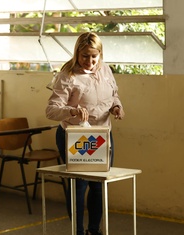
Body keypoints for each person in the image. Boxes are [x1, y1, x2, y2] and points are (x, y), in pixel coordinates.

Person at [45, 32, 125, 235]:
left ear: (100, 54)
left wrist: (117, 107)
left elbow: (114, 95)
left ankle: (94, 230)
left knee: (99, 185)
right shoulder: (67, 75)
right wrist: (72, 111)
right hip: (75, 137)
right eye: (84, 56)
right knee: (79, 186)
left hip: (101, 136)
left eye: (94, 56)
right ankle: (78, 231)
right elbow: (51, 110)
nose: (89, 61)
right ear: (76, 54)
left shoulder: (105, 70)